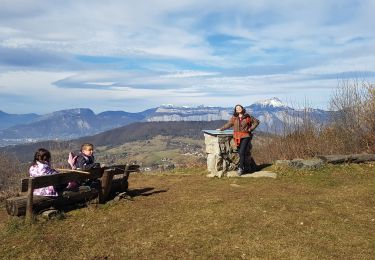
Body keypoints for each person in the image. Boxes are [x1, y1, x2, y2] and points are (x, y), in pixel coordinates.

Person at [218, 104, 260, 175]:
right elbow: (229, 124)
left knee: (241, 152)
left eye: (239, 107)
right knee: (241, 152)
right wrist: (221, 129)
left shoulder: (247, 116)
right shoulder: (234, 117)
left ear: (242, 109)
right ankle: (245, 167)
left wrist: (250, 129)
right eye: (237, 108)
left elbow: (256, 122)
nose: (238, 109)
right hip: (237, 137)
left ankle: (240, 168)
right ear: (236, 110)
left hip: (245, 136)